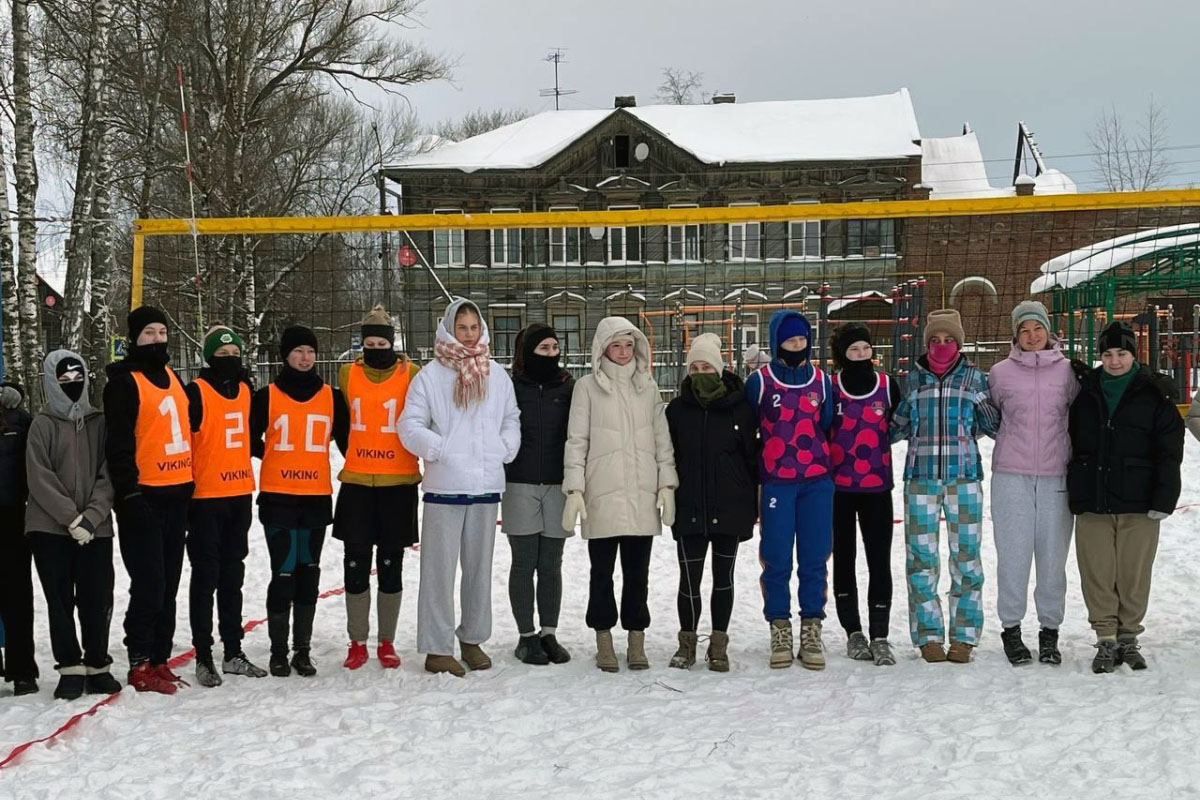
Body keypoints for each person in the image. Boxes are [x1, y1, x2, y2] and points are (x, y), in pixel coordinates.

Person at [399, 298, 520, 677]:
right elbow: (409, 425)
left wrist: (504, 448)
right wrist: (439, 449)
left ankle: (472, 638)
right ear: (449, 329)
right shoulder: (429, 377)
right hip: (444, 488)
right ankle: (437, 648)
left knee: (479, 570)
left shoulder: (496, 375)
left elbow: (511, 419)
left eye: (473, 327)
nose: (468, 335)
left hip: (485, 488)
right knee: (438, 572)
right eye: (461, 327)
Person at [563, 316, 677, 673]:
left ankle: (636, 637)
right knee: (602, 573)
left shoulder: (649, 386)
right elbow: (576, 441)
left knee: (637, 574)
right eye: (617, 345)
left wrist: (666, 484)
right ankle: (604, 638)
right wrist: (575, 489)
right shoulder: (586, 388)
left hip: (642, 497)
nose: (624, 352)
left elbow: (662, 440)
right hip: (602, 496)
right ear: (603, 348)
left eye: (629, 345)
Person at [1068, 321, 1183, 673]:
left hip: (1139, 500)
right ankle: (1105, 638)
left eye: (1122, 353)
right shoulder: (1085, 391)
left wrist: (1164, 498)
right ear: (1099, 356)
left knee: (1133, 574)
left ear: (1134, 355)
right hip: (1094, 499)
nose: (1115, 361)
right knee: (1097, 572)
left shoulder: (1154, 392)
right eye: (1107, 354)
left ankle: (1129, 637)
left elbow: (1169, 450)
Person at [890, 309, 1000, 664]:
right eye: (934, 340)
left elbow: (992, 424)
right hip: (920, 480)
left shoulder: (974, 379)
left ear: (959, 343)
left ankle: (964, 636)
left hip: (964, 479)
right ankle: (928, 635)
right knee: (921, 560)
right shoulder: (912, 381)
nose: (941, 345)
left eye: (948, 339)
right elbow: (896, 427)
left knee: (966, 559)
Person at [104, 306, 194, 693]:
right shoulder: (124, 383)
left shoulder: (172, 374)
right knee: (149, 583)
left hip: (177, 494)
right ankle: (139, 660)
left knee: (169, 583)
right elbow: (118, 446)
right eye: (148, 334)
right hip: (144, 498)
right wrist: (129, 493)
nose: (157, 339)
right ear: (134, 339)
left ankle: (160, 658)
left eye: (162, 332)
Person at [987, 301, 1080, 666]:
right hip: (1012, 475)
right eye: (1024, 330)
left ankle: (1049, 632)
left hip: (1057, 474)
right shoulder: (999, 373)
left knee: (1052, 558)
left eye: (1037, 328)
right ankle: (1011, 629)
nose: (1031, 335)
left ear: (1048, 330)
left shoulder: (1069, 372)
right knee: (1013, 555)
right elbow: (993, 415)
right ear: (1015, 335)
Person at [251, 325, 346, 678]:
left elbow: (349, 442)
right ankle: (278, 651)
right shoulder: (267, 396)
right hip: (278, 499)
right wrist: (272, 455)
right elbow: (246, 438)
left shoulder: (332, 397)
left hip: (316, 499)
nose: (305, 358)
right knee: (284, 571)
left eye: (310, 351)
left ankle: (301, 650)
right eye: (297, 352)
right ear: (285, 356)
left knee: (309, 572)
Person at [25, 351, 121, 699]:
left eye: (76, 378)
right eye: (63, 380)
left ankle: (97, 664)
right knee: (60, 599)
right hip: (50, 529)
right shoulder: (42, 424)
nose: (71, 385)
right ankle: (70, 666)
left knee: (97, 597)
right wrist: (71, 518)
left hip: (96, 528)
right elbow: (39, 477)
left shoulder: (100, 422)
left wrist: (92, 517)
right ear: (52, 382)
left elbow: (108, 473)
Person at [332, 306, 421, 671]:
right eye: (369, 342)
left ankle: (387, 641)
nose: (375, 348)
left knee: (390, 564)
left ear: (392, 343)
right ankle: (357, 641)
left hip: (398, 484)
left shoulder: (412, 373)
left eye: (381, 342)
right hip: (356, 484)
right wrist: (353, 452)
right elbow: (341, 423)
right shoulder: (346, 373)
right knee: (354, 564)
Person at [745, 310, 834, 671]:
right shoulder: (760, 381)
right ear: (776, 342)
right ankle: (779, 625)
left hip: (816, 482)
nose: (797, 346)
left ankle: (811, 626)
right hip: (776, 482)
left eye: (802, 340)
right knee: (777, 557)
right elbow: (749, 429)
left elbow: (826, 425)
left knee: (815, 558)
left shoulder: (822, 381)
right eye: (790, 340)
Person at [665, 333, 757, 672]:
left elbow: (751, 460)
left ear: (720, 369)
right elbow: (667, 456)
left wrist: (750, 505)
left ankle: (719, 643)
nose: (701, 372)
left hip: (728, 507)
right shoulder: (676, 410)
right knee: (688, 579)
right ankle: (686, 642)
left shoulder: (741, 408)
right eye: (695, 367)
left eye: (707, 366)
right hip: (688, 506)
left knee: (723, 578)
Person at [184, 325, 267, 686]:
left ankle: (233, 650)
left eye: (235, 355)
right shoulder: (196, 392)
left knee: (233, 577)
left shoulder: (246, 390)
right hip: (204, 499)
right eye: (223, 356)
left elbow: (251, 439)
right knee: (205, 579)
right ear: (209, 358)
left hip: (239, 495)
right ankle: (203, 655)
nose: (230, 361)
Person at [827, 322, 902, 667]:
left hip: (877, 489)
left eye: (865, 349)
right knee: (844, 559)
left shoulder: (888, 385)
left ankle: (880, 634)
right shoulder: (831, 387)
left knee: (879, 561)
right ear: (842, 354)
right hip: (840, 490)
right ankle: (853, 631)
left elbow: (903, 425)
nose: (860, 355)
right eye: (853, 350)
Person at [502, 323, 574, 666]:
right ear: (527, 351)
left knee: (551, 564)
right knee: (524, 561)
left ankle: (548, 632)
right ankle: (526, 636)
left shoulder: (569, 386)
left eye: (554, 348)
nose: (550, 354)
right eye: (542, 348)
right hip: (519, 482)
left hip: (558, 484)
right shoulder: (509, 386)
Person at [0, 380, 37, 696]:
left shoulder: (16, 416)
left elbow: (33, 463)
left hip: (11, 515)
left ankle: (23, 669)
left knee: (17, 595)